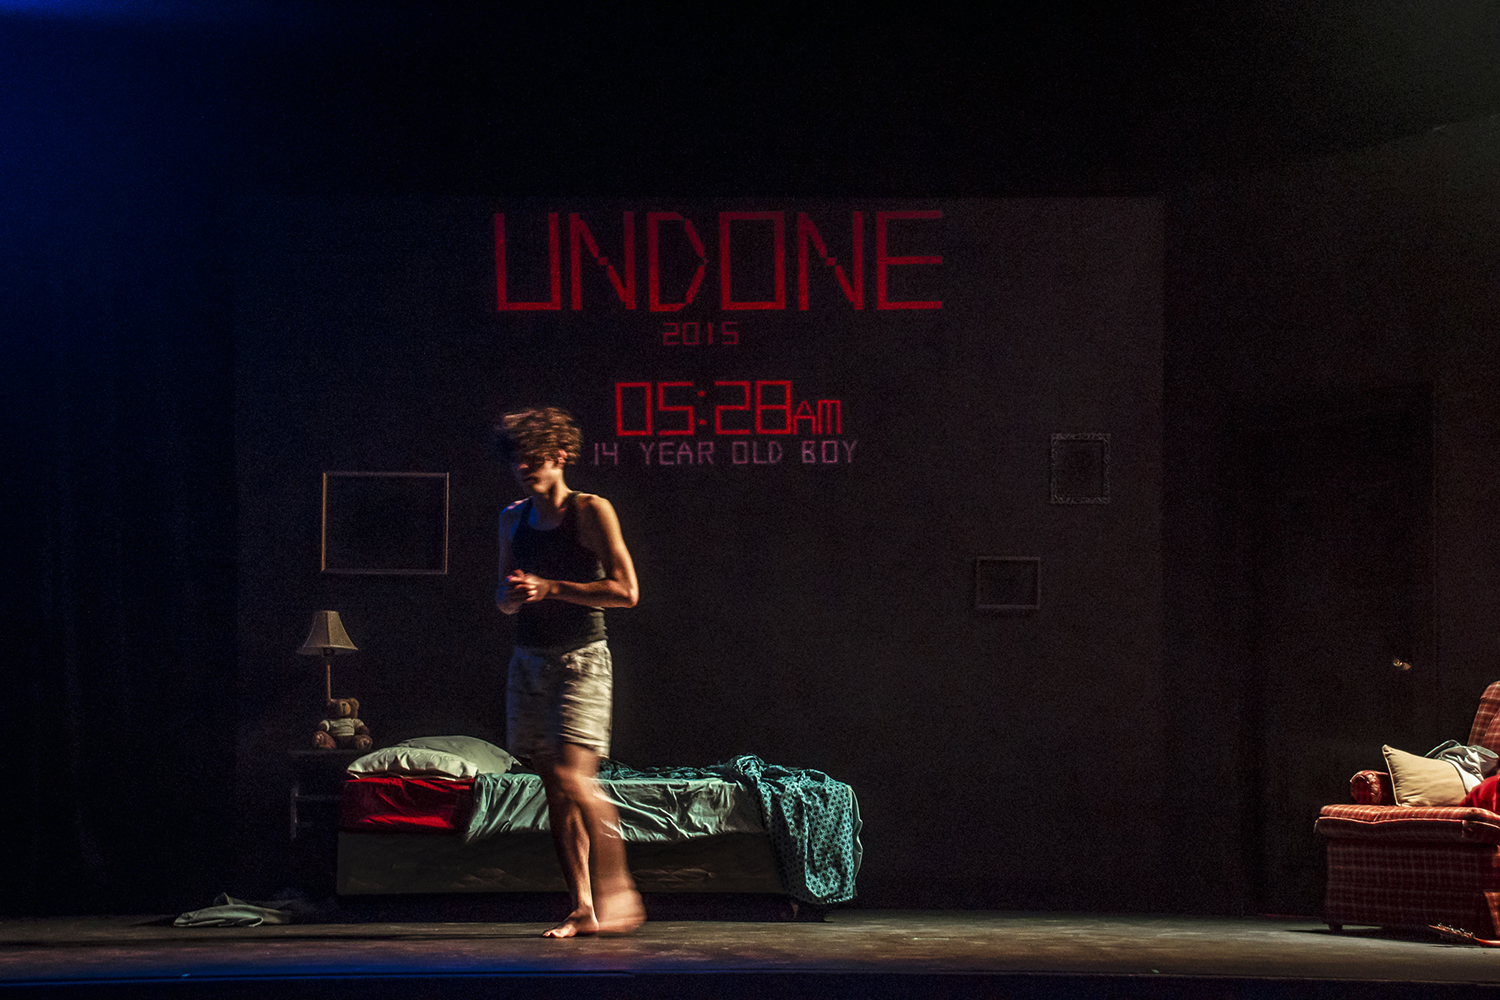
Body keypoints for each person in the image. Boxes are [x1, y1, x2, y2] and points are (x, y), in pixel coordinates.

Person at [494, 407, 645, 937]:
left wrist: (552, 587)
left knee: (573, 777)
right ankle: (583, 907)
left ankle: (619, 888)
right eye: (516, 460)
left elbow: (626, 591)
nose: (523, 468)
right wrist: (514, 597)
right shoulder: (512, 519)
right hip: (529, 661)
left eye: (533, 458)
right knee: (555, 790)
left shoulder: (590, 510)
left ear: (560, 455)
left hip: (582, 659)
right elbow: (503, 598)